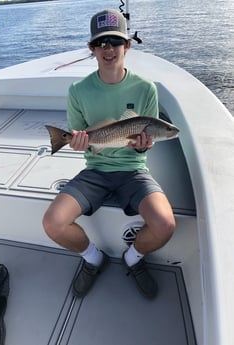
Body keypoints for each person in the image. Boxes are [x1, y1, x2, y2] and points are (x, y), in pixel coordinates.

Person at [43, 9, 176, 299]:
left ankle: (133, 258)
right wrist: (77, 142)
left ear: (127, 45)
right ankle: (93, 258)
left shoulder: (145, 88)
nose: (108, 49)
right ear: (91, 49)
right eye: (101, 43)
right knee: (52, 222)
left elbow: (145, 140)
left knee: (165, 224)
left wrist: (142, 144)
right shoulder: (78, 90)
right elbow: (84, 137)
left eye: (115, 41)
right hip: (95, 170)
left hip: (133, 169)